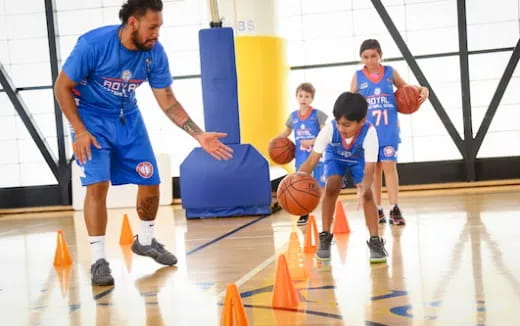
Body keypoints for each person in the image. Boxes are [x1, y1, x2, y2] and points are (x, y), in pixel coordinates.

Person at [54, 0, 233, 286]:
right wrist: (79, 130)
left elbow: (167, 100)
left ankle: (146, 241)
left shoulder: (154, 54)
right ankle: (99, 260)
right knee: (98, 185)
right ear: (133, 23)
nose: (156, 33)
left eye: (159, 27)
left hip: (128, 120)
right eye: (152, 27)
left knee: (151, 184)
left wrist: (198, 135)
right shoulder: (94, 44)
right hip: (91, 120)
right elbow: (61, 86)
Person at [298, 91, 388, 263]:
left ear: (361, 121)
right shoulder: (330, 130)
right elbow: (311, 161)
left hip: (358, 159)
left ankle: (375, 241)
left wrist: (364, 188)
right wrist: (296, 179)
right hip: (336, 156)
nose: (341, 128)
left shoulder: (369, 133)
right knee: (331, 186)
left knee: (368, 194)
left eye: (346, 125)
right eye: (339, 123)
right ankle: (325, 236)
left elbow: (370, 170)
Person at [350, 39, 429, 225]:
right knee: (375, 171)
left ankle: (394, 208)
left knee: (389, 167)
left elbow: (407, 88)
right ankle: (378, 209)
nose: (370, 60)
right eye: (366, 57)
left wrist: (424, 90)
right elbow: (350, 103)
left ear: (380, 55)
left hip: (388, 130)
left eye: (373, 56)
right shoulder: (358, 77)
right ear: (361, 58)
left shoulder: (389, 72)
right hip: (368, 133)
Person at [276, 82, 328, 226]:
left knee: (321, 185)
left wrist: (313, 141)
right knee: (301, 185)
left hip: (317, 156)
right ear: (296, 97)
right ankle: (304, 212)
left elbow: (326, 134)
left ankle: (326, 211)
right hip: (301, 157)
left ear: (312, 98)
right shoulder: (293, 116)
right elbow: (286, 133)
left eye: (307, 96)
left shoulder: (318, 114)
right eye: (301, 95)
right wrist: (276, 141)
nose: (303, 98)